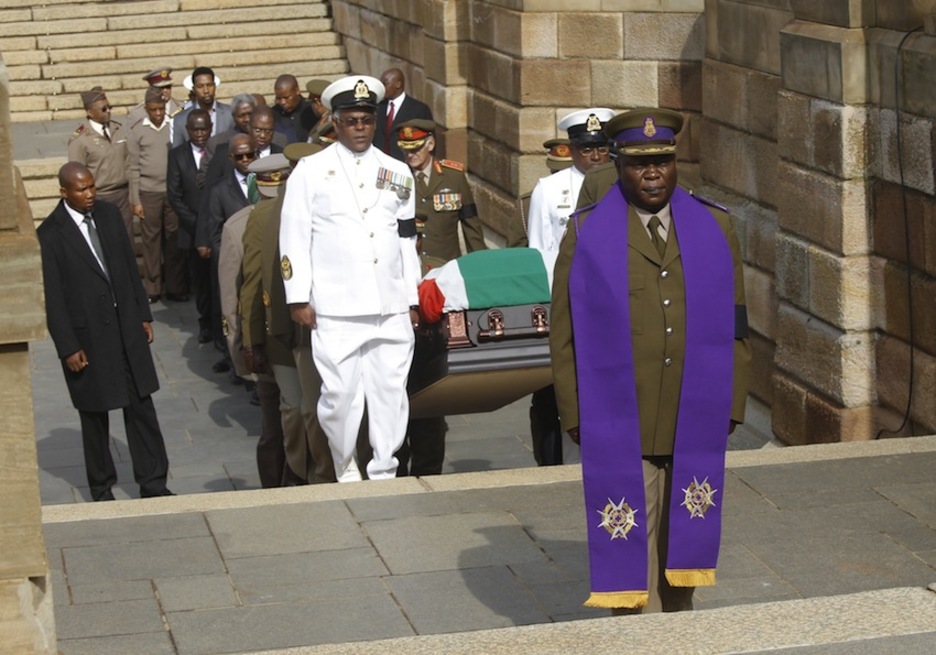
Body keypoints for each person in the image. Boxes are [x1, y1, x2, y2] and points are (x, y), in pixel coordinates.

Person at [550, 108, 751, 613]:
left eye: (662, 160)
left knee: (684, 553)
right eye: (640, 164)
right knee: (631, 560)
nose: (653, 172)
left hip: (694, 406)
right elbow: (564, 332)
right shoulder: (587, 234)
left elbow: (737, 322)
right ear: (618, 166)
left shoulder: (714, 226)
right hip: (622, 413)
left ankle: (678, 633)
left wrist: (732, 401)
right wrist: (574, 414)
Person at [279, 75, 420, 482]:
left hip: (389, 303)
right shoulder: (311, 170)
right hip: (337, 306)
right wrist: (297, 297)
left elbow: (407, 238)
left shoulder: (397, 171)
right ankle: (344, 467)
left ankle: (384, 469)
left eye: (366, 120)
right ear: (335, 123)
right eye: (351, 120)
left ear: (375, 122)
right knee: (339, 398)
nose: (360, 127)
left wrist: (411, 297)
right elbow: (293, 237)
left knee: (390, 394)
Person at [37, 162, 174, 502]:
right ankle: (101, 489)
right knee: (95, 416)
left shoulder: (110, 215)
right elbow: (52, 298)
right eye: (81, 189)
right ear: (64, 192)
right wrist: (68, 347)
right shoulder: (50, 235)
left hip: (126, 328)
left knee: (141, 406)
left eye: (92, 187)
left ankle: (153, 482)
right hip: (88, 340)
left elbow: (129, 265)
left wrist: (143, 315)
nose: (89, 194)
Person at [393, 118, 486, 476]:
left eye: (416, 148)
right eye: (405, 149)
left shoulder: (455, 178)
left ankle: (430, 465)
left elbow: (472, 232)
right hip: (403, 291)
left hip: (442, 297)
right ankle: (396, 460)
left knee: (433, 382)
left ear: (431, 144)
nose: (411, 155)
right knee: (399, 381)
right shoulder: (392, 179)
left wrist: (477, 284)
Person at [240, 148, 337, 485]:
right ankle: (303, 474)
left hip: (331, 326)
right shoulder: (267, 213)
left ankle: (327, 472)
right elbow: (255, 278)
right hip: (285, 331)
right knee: (298, 410)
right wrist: (251, 340)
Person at [528, 108, 615, 467]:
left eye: (600, 148)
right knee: (556, 387)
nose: (594, 156)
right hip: (564, 299)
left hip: (606, 300)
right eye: (585, 149)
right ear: (572, 149)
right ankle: (552, 460)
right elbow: (539, 249)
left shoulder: (619, 184)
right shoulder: (549, 190)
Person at [199, 134, 257, 375]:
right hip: (236, 267)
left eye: (250, 155)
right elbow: (215, 233)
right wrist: (232, 263)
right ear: (231, 158)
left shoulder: (270, 181)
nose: (245, 160)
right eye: (240, 156)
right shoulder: (220, 190)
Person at [127, 87, 187, 304]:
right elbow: (132, 167)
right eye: (154, 110)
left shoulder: (173, 126)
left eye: (161, 109)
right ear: (146, 109)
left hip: (171, 192)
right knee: (151, 241)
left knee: (173, 240)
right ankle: (153, 287)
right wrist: (135, 200)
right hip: (148, 192)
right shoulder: (136, 131)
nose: (159, 114)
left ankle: (175, 286)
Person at [167, 109, 213, 343]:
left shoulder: (217, 153)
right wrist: (197, 224)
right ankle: (205, 323)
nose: (200, 134)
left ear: (211, 128)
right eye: (195, 129)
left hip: (216, 228)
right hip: (192, 229)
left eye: (204, 128)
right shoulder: (177, 156)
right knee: (200, 281)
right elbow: (174, 195)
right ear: (187, 131)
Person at [67, 87, 133, 239]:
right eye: (104, 109)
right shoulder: (81, 139)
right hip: (99, 197)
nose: (108, 111)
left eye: (109, 107)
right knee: (105, 239)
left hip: (122, 195)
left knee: (126, 240)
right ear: (90, 112)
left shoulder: (118, 129)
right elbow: (77, 174)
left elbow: (128, 162)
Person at [374, 67, 432, 161]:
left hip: (406, 164)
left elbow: (429, 141)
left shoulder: (419, 109)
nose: (382, 89)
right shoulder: (378, 107)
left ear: (398, 84)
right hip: (380, 164)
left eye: (385, 84)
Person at [172, 67, 233, 146]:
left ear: (214, 86)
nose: (206, 91)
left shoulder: (230, 114)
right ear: (194, 89)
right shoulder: (181, 119)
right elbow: (177, 152)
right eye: (200, 86)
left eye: (209, 85)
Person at [272, 74, 315, 143]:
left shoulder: (311, 110)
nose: (282, 102)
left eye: (286, 97)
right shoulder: (274, 113)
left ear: (297, 91)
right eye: (279, 98)